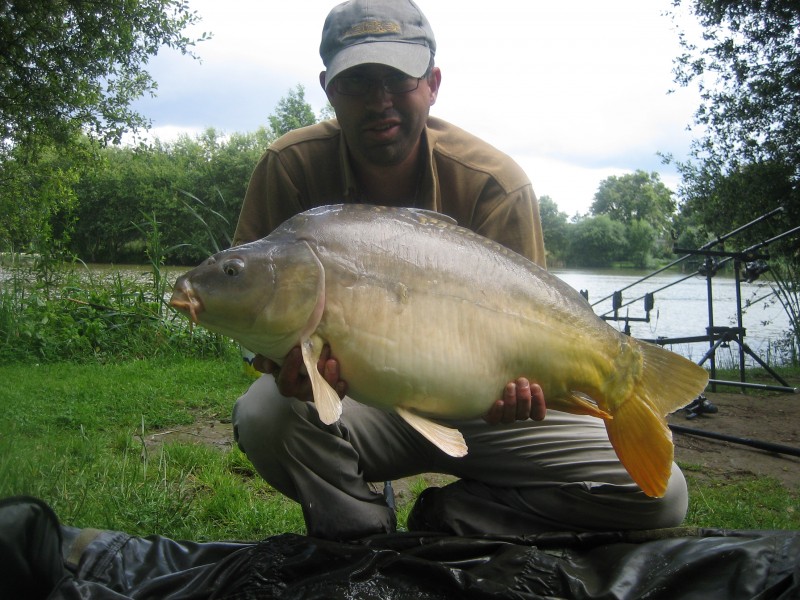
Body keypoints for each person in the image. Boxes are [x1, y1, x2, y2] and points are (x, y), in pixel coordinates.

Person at [232, 0, 688, 540]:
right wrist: (283, 366)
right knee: (265, 414)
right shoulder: (290, 167)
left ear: (432, 84)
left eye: (398, 79)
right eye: (357, 83)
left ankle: (454, 520)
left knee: (661, 498)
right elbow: (251, 312)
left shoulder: (495, 183)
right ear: (329, 89)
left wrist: (528, 393)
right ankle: (359, 540)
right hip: (361, 400)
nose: (379, 101)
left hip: (484, 408)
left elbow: (532, 331)